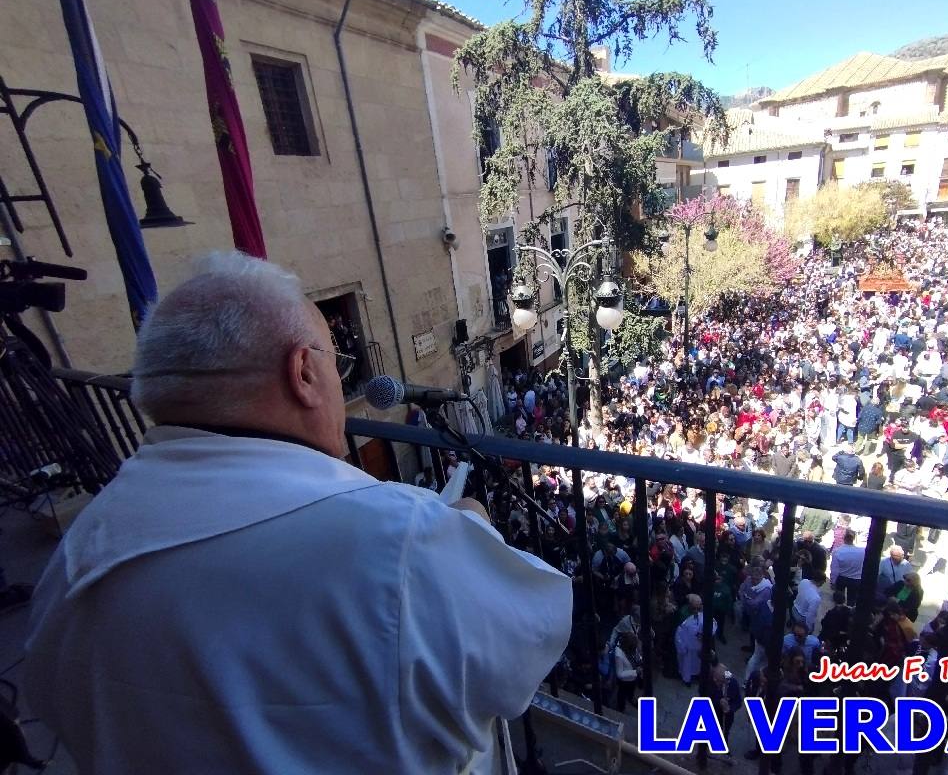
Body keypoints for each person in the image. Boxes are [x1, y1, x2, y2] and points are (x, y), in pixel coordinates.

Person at [21, 253, 572, 775]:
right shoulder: (400, 540)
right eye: (338, 364)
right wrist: (470, 523)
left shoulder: (74, 557)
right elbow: (529, 643)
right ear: (304, 372)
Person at [830, 530, 865, 606]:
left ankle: (838, 610)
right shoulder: (862, 551)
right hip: (856, 579)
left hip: (842, 578)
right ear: (854, 539)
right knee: (852, 599)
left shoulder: (837, 551)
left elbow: (834, 569)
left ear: (844, 538)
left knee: (839, 599)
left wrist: (833, 581)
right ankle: (849, 610)